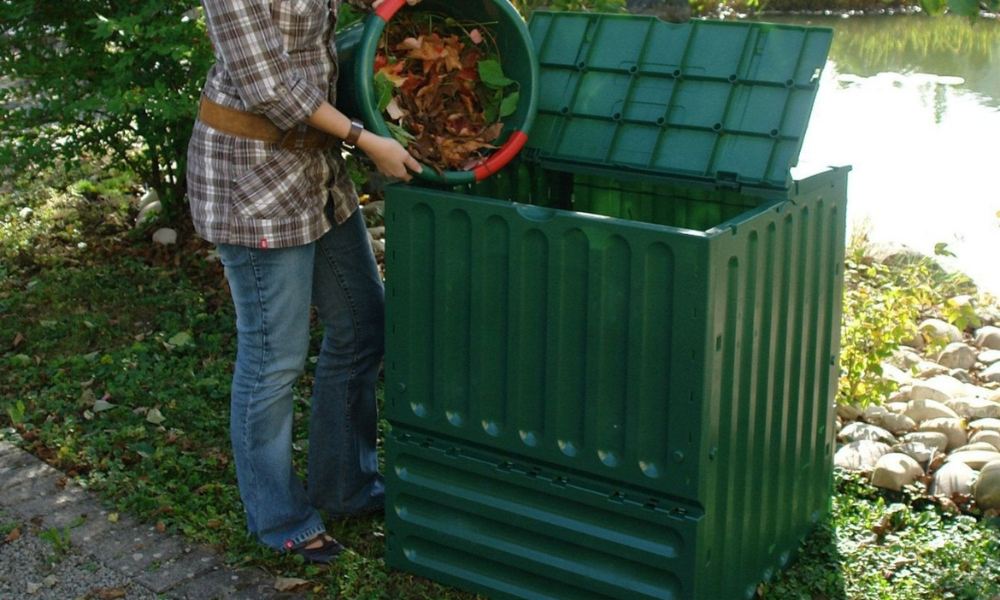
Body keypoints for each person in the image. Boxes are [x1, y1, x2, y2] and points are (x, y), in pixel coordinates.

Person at [186, 0, 423, 562]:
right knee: (274, 359)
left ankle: (345, 486)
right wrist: (368, 140)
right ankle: (278, 518)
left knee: (365, 326)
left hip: (315, 174)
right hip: (254, 183)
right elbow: (269, 86)